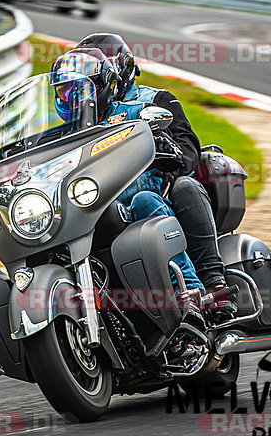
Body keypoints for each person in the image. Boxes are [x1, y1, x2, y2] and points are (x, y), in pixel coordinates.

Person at [75, 33, 237, 321]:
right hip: (96, 202)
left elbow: (189, 149)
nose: (87, 87)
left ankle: (213, 284)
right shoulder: (75, 124)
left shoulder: (155, 99)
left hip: (154, 188)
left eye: (94, 78)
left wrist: (168, 149)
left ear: (117, 72)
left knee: (184, 186)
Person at [50, 48, 207, 318]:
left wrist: (164, 145)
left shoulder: (143, 107)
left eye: (82, 88)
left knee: (147, 199)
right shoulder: (59, 137)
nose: (74, 98)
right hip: (88, 209)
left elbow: (185, 150)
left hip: (143, 197)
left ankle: (192, 290)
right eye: (65, 91)